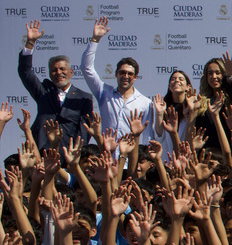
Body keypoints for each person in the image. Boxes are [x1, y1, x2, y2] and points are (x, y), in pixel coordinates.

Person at [17, 20, 94, 149]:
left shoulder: (84, 98)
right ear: (49, 73)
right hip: (42, 154)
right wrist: (30, 43)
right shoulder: (43, 92)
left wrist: (77, 155)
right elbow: (25, 72)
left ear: (71, 72)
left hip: (69, 155)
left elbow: (85, 130)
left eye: (62, 69)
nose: (58, 73)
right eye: (54, 70)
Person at [79, 16, 154, 143]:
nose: (126, 76)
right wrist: (95, 40)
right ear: (116, 74)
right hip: (107, 158)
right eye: (122, 72)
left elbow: (148, 136)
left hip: (131, 160)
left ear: (135, 77)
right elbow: (86, 68)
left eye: (130, 74)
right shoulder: (104, 93)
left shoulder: (145, 103)